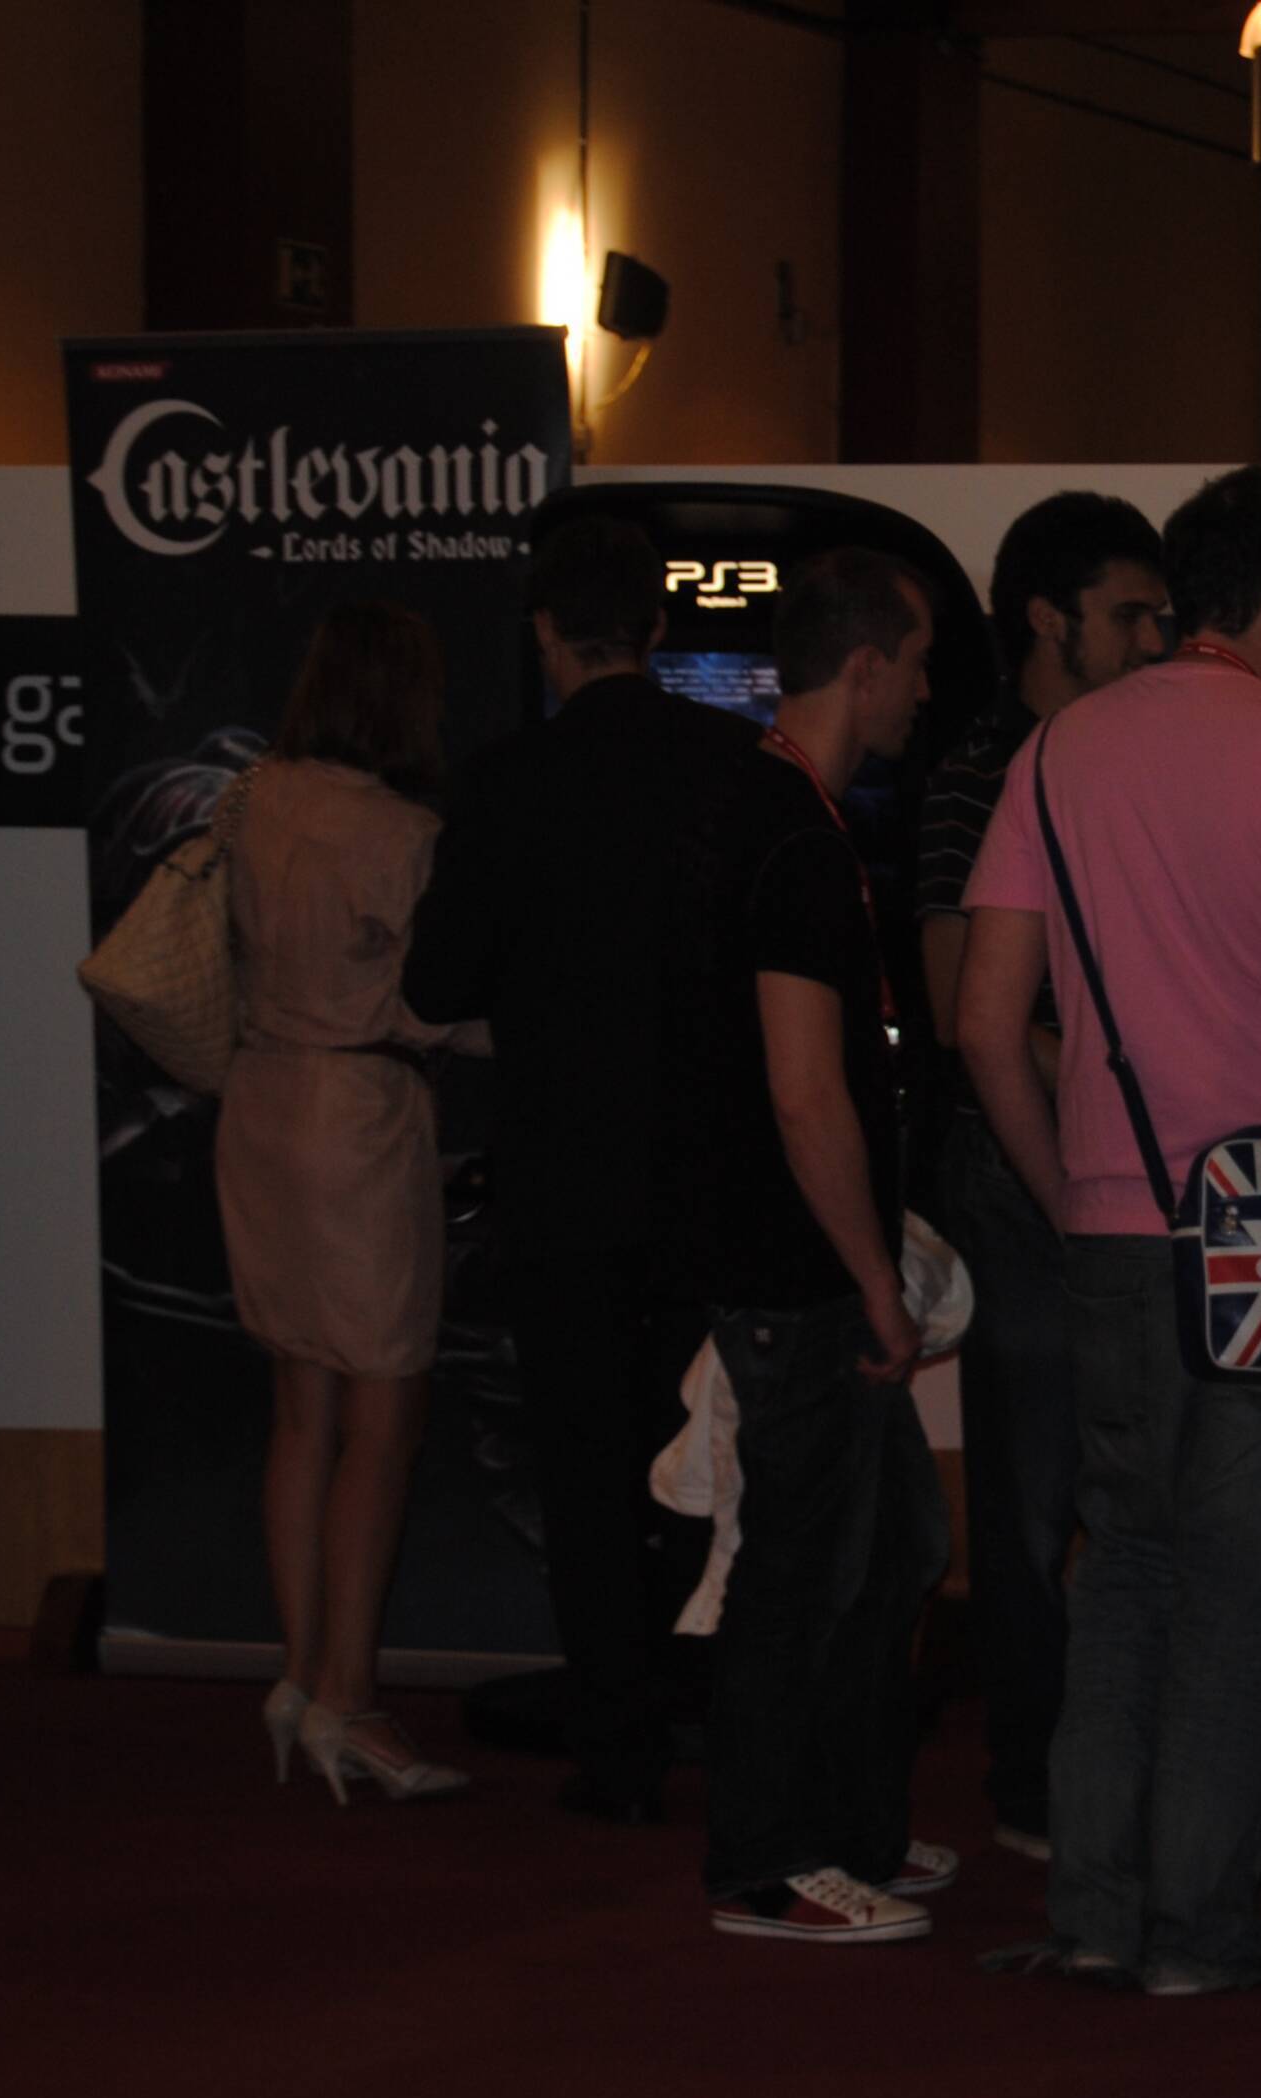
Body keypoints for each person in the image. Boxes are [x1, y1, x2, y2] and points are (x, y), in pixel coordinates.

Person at [957, 464, 1261, 1996]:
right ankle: (1199, 1925)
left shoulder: (1060, 752)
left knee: (1128, 1560)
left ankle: (1093, 1910)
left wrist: (1070, 1185)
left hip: (1115, 1221)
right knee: (1247, 1580)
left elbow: (985, 1021)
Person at [406, 516, 758, 1826]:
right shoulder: (732, 764)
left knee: (586, 1467)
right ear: (658, 629)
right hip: (710, 1173)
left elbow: (436, 977)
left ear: (548, 636)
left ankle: (615, 1742)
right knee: (709, 1455)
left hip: (563, 1176)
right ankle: (716, 1703)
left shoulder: (506, 780)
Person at [661, 548, 952, 1945]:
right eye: (919, 662)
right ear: (866, 665)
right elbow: (804, 1089)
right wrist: (877, 1283)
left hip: (803, 1264)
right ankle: (767, 1862)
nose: (927, 690)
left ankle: (847, 1829)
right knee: (800, 1569)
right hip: (798, 1272)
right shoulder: (787, 831)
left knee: (891, 1546)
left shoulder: (774, 811)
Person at [910, 492, 1168, 1864]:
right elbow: (970, 1009)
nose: (1153, 642)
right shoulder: (979, 773)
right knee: (1030, 1499)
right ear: (1045, 619)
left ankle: (1107, 1773)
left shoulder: (1124, 757)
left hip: (1124, 1162)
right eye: (1128, 616)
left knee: (1115, 1486)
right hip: (1025, 1173)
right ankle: (1032, 1783)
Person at [221, 600, 483, 1804]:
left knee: (300, 1409)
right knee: (385, 1413)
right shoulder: (400, 833)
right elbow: (432, 1006)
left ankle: (298, 1677)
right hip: (357, 1120)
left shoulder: (253, 800)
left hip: (260, 1100)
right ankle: (350, 1699)